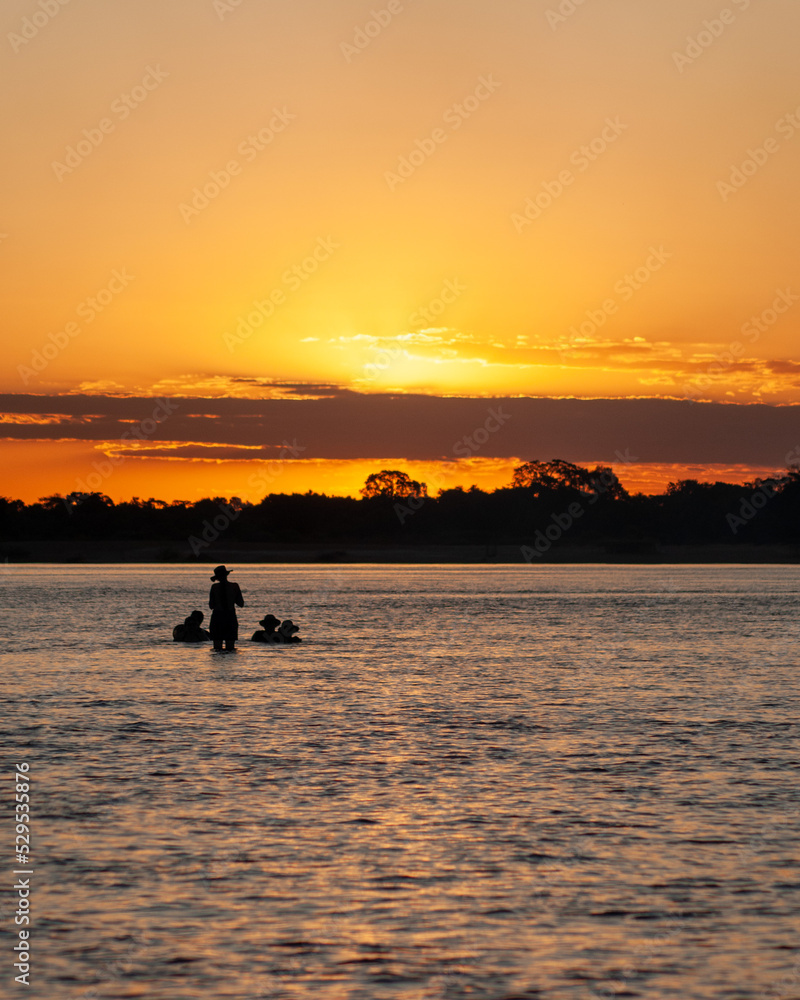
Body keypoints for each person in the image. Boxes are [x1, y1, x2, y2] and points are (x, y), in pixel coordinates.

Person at [208, 565, 244, 651]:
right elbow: (241, 603)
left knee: (217, 647)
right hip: (229, 616)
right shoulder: (234, 586)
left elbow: (211, 605)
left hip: (219, 616)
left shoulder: (214, 587)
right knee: (230, 647)